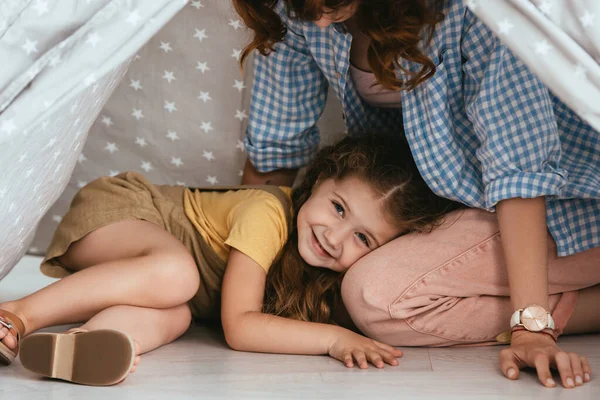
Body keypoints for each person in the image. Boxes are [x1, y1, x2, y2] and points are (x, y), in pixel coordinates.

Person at [233, 0, 600, 389]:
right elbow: (276, 148)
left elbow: (520, 171)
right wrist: (243, 279)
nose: (318, 21)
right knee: (337, 299)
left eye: (331, 3)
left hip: (564, 205)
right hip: (454, 206)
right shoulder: (298, 12)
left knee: (374, 298)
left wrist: (532, 329)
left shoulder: (473, 11)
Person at [0, 134, 460, 386]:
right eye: (338, 208)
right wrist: (334, 340)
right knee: (179, 276)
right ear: (318, 180)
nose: (335, 236)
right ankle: (17, 316)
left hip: (159, 282)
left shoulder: (319, 274)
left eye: (362, 237)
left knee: (177, 316)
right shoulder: (268, 211)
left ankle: (85, 345)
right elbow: (239, 327)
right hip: (125, 214)